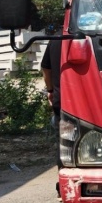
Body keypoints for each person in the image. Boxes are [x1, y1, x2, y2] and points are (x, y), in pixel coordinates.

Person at [41, 36, 61, 168]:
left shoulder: (56, 39)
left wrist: (50, 90)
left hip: (64, 102)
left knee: (66, 143)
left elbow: (46, 69)